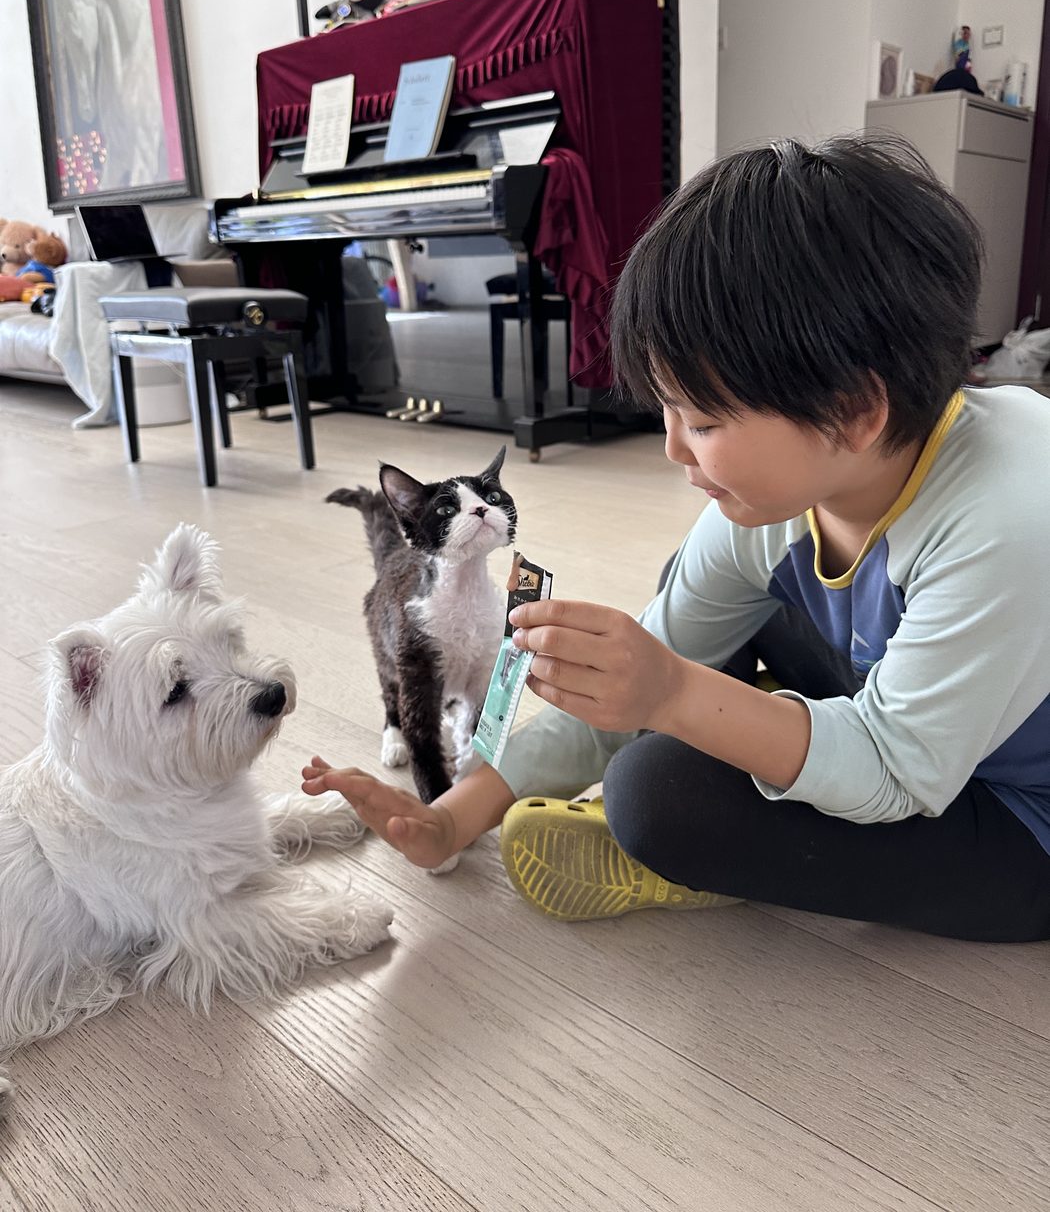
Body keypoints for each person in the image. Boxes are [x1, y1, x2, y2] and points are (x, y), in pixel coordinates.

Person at [303, 136, 1050, 943]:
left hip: (1015, 810)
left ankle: (731, 830)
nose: (673, 449)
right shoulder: (790, 493)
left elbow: (898, 772)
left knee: (658, 796)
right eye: (665, 409)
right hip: (902, 718)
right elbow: (637, 671)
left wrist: (676, 695)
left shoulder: (1009, 514)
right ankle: (775, 744)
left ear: (854, 411)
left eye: (703, 419)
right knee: (672, 624)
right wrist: (451, 818)